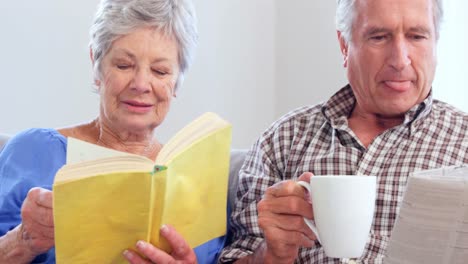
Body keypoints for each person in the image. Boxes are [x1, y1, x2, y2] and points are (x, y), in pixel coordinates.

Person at [219, 0, 468, 263]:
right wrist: (270, 255)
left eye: (417, 36)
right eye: (379, 37)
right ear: (344, 45)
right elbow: (238, 255)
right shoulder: (284, 139)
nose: (400, 59)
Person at [0, 0, 223, 263]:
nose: (141, 84)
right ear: (97, 63)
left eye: (160, 71)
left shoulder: (200, 185)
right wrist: (23, 239)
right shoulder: (34, 151)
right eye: (124, 65)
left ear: (176, 82)